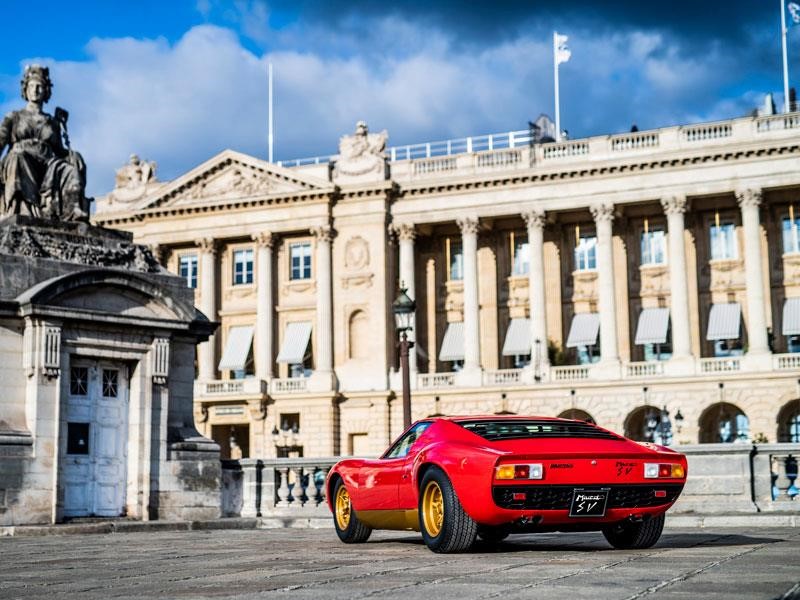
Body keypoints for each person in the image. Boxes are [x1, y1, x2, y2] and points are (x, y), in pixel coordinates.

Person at [0, 64, 88, 220]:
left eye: (39, 86)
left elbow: (59, 150)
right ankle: (22, 209)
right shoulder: (13, 117)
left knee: (70, 168)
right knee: (17, 155)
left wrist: (73, 155)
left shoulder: (52, 122)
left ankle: (73, 211)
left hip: (47, 164)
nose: (35, 90)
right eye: (32, 86)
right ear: (25, 90)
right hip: (22, 159)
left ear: (46, 91)